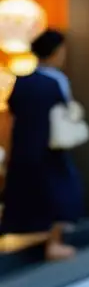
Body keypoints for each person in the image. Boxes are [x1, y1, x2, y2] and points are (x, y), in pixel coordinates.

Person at [0, 30, 83, 261]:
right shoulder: (57, 81)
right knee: (62, 194)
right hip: (50, 148)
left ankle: (25, 238)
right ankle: (53, 243)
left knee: (24, 194)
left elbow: (10, 118)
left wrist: (7, 152)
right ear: (56, 53)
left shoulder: (21, 81)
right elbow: (66, 112)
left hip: (24, 148)